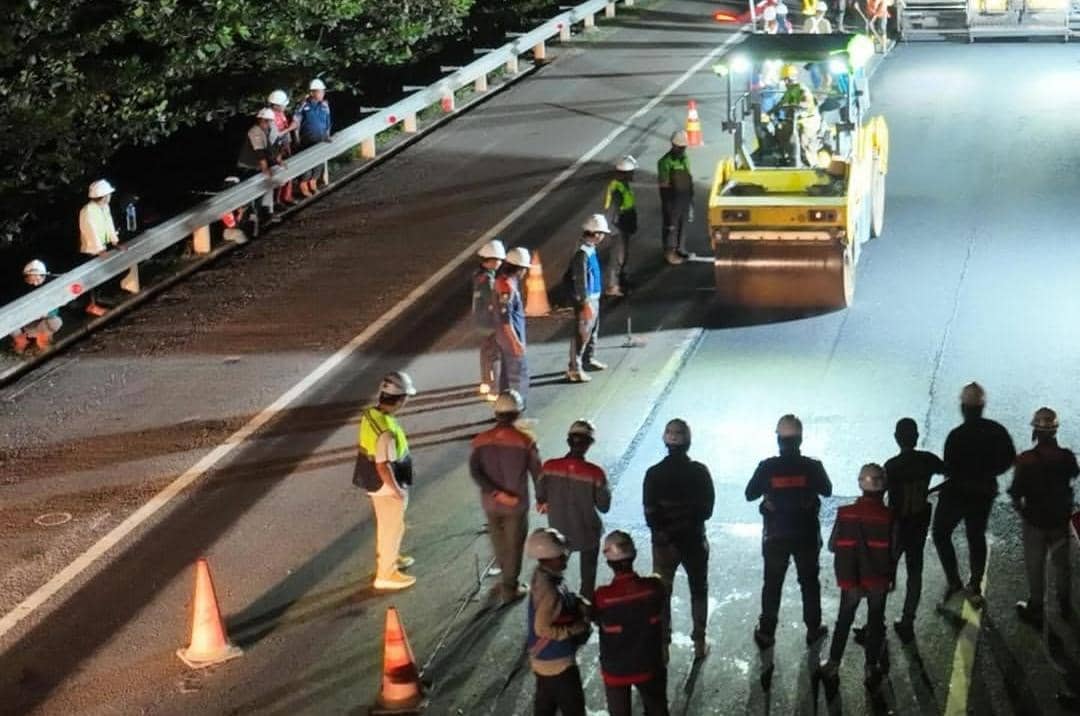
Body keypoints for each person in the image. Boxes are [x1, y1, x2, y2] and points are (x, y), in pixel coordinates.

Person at [746, 414, 832, 649]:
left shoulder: (767, 467)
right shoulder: (812, 466)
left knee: (772, 584)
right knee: (809, 582)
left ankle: (766, 633)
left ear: (779, 439)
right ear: (800, 439)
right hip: (806, 535)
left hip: (775, 536)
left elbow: (750, 494)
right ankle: (813, 629)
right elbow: (827, 490)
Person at [934, 382, 1016, 609]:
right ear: (982, 406)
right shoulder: (996, 431)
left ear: (963, 408)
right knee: (976, 535)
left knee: (941, 533)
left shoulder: (956, 436)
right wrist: (988, 473)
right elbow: (1009, 458)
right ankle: (975, 584)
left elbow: (949, 467)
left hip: (956, 494)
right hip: (983, 493)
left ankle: (954, 582)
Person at [819, 464, 896, 695]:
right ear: (884, 487)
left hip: (851, 578)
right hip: (878, 579)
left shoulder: (845, 513)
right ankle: (870, 668)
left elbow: (832, 545)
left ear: (860, 485)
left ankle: (833, 664)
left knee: (844, 619)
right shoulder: (890, 516)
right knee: (875, 621)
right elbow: (894, 550)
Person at [644, 418, 714, 659]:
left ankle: (663, 646)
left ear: (666, 440)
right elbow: (706, 511)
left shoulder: (653, 474)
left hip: (664, 544)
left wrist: (667, 532)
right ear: (688, 441)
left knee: (662, 593)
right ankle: (699, 643)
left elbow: (650, 514)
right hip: (693, 541)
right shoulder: (700, 472)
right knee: (698, 589)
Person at [470, 389, 542, 604]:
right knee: (514, 545)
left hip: (490, 503)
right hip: (515, 505)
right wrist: (542, 498)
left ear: (496, 413)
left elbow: (476, 472)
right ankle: (510, 587)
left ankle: (505, 578)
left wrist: (495, 493)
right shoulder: (525, 441)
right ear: (518, 413)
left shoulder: (481, 440)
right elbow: (538, 473)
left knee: (498, 541)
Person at [1008, 407, 1078, 628]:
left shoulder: (1026, 460)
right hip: (1059, 521)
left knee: (1035, 566)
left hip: (1035, 522)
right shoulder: (1067, 457)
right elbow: (1073, 474)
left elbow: (1016, 493)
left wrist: (1022, 511)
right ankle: (1065, 605)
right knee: (1062, 565)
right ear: (1055, 431)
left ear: (1035, 432)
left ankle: (1036, 608)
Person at [353, 371, 418, 591]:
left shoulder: (371, 414)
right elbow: (383, 466)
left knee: (391, 525)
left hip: (374, 480)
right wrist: (396, 490)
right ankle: (386, 574)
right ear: (400, 399)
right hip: (385, 485)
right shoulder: (386, 431)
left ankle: (392, 557)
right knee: (391, 528)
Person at [593, 530, 670, 716]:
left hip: (616, 670)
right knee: (657, 709)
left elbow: (595, 618)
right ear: (634, 555)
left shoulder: (602, 596)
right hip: (649, 664)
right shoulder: (654, 587)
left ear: (608, 562)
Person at [884, 418, 945, 643]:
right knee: (914, 571)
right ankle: (907, 620)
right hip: (918, 523)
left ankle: (876, 620)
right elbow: (951, 472)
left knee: (885, 570)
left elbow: (880, 493)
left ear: (896, 438)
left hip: (896, 525)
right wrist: (931, 491)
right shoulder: (927, 460)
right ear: (916, 437)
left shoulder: (891, 466)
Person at [537, 419, 611, 601]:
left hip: (558, 531)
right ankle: (586, 603)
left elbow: (540, 495)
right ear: (589, 444)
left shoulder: (549, 467)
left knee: (554, 571)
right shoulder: (595, 473)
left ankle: (554, 602)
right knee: (588, 574)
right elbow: (604, 506)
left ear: (568, 441)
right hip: (587, 532)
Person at [527, 527, 591, 716]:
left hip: (544, 661)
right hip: (557, 663)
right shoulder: (549, 591)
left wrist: (576, 600)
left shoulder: (543, 574)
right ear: (548, 558)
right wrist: (574, 629)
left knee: (545, 707)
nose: (565, 557)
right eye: (560, 555)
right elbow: (542, 628)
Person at [566, 214, 611, 383]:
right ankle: (574, 369)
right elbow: (581, 280)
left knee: (592, 332)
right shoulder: (582, 253)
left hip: (594, 297)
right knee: (582, 334)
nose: (603, 236)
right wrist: (585, 303)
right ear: (595, 233)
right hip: (587, 300)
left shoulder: (590, 248)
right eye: (602, 233)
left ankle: (588, 359)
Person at [494, 247, 531, 403]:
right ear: (519, 268)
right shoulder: (506, 286)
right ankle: (518, 408)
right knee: (518, 376)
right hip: (510, 337)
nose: (525, 272)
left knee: (506, 376)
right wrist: (515, 342)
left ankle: (504, 407)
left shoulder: (504, 281)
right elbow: (505, 318)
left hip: (505, 337)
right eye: (524, 268)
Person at [472, 239, 506, 401]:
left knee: (485, 352)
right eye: (499, 260)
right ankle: (495, 389)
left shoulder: (478, 275)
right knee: (495, 355)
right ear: (491, 260)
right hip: (489, 322)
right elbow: (492, 300)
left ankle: (485, 382)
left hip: (479, 322)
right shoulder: (488, 279)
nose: (500, 263)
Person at [772, 65, 821, 167]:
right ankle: (784, 156)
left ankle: (810, 162)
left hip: (808, 120)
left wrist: (797, 105)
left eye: (788, 80)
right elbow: (780, 104)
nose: (786, 82)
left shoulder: (802, 89)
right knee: (780, 130)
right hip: (794, 120)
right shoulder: (789, 91)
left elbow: (807, 102)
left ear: (794, 78)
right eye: (784, 80)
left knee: (802, 136)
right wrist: (769, 113)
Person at [236, 108, 280, 223]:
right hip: (247, 167)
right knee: (251, 193)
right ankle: (247, 217)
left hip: (256, 167)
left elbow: (269, 149)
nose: (269, 124)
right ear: (261, 120)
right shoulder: (255, 132)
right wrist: (265, 168)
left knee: (262, 191)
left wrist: (278, 159)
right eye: (267, 121)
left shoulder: (263, 131)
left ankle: (259, 215)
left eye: (270, 121)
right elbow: (259, 152)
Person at [657, 131, 694, 265]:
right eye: (680, 147)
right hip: (672, 199)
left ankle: (680, 248)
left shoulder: (685, 159)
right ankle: (669, 253)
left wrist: (690, 199)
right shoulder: (665, 162)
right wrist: (669, 204)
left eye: (684, 147)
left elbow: (688, 177)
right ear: (673, 146)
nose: (683, 150)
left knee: (683, 225)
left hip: (684, 197)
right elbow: (664, 185)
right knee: (671, 226)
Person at [8, 261, 62, 353]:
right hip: (25, 325)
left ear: (44, 276)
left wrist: (47, 313)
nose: (35, 284)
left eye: (38, 280)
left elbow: (55, 307)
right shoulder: (20, 289)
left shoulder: (50, 286)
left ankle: (43, 339)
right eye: (31, 280)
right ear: (26, 279)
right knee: (9, 323)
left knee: (56, 321)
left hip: (41, 324)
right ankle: (21, 342)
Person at [603, 156, 638, 297]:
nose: (633, 174)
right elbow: (613, 211)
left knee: (622, 255)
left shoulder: (623, 185)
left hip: (623, 224)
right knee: (618, 256)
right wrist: (618, 229)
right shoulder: (617, 189)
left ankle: (621, 281)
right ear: (625, 173)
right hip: (619, 227)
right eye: (631, 172)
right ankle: (613, 286)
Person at [294, 78, 332, 197]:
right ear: (312, 92)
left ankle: (313, 184)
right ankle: (303, 185)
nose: (322, 94)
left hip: (320, 139)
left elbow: (328, 122)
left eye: (323, 91)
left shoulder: (324, 106)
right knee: (307, 165)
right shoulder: (303, 105)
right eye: (320, 91)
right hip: (306, 140)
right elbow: (296, 123)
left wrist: (327, 136)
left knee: (318, 164)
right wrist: (296, 139)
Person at [267, 90, 299, 207]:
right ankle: (277, 201)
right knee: (278, 174)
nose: (285, 106)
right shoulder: (269, 118)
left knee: (288, 171)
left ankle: (286, 196)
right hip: (276, 150)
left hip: (285, 146)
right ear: (276, 105)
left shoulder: (281, 114)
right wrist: (290, 128)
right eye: (283, 104)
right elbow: (273, 136)